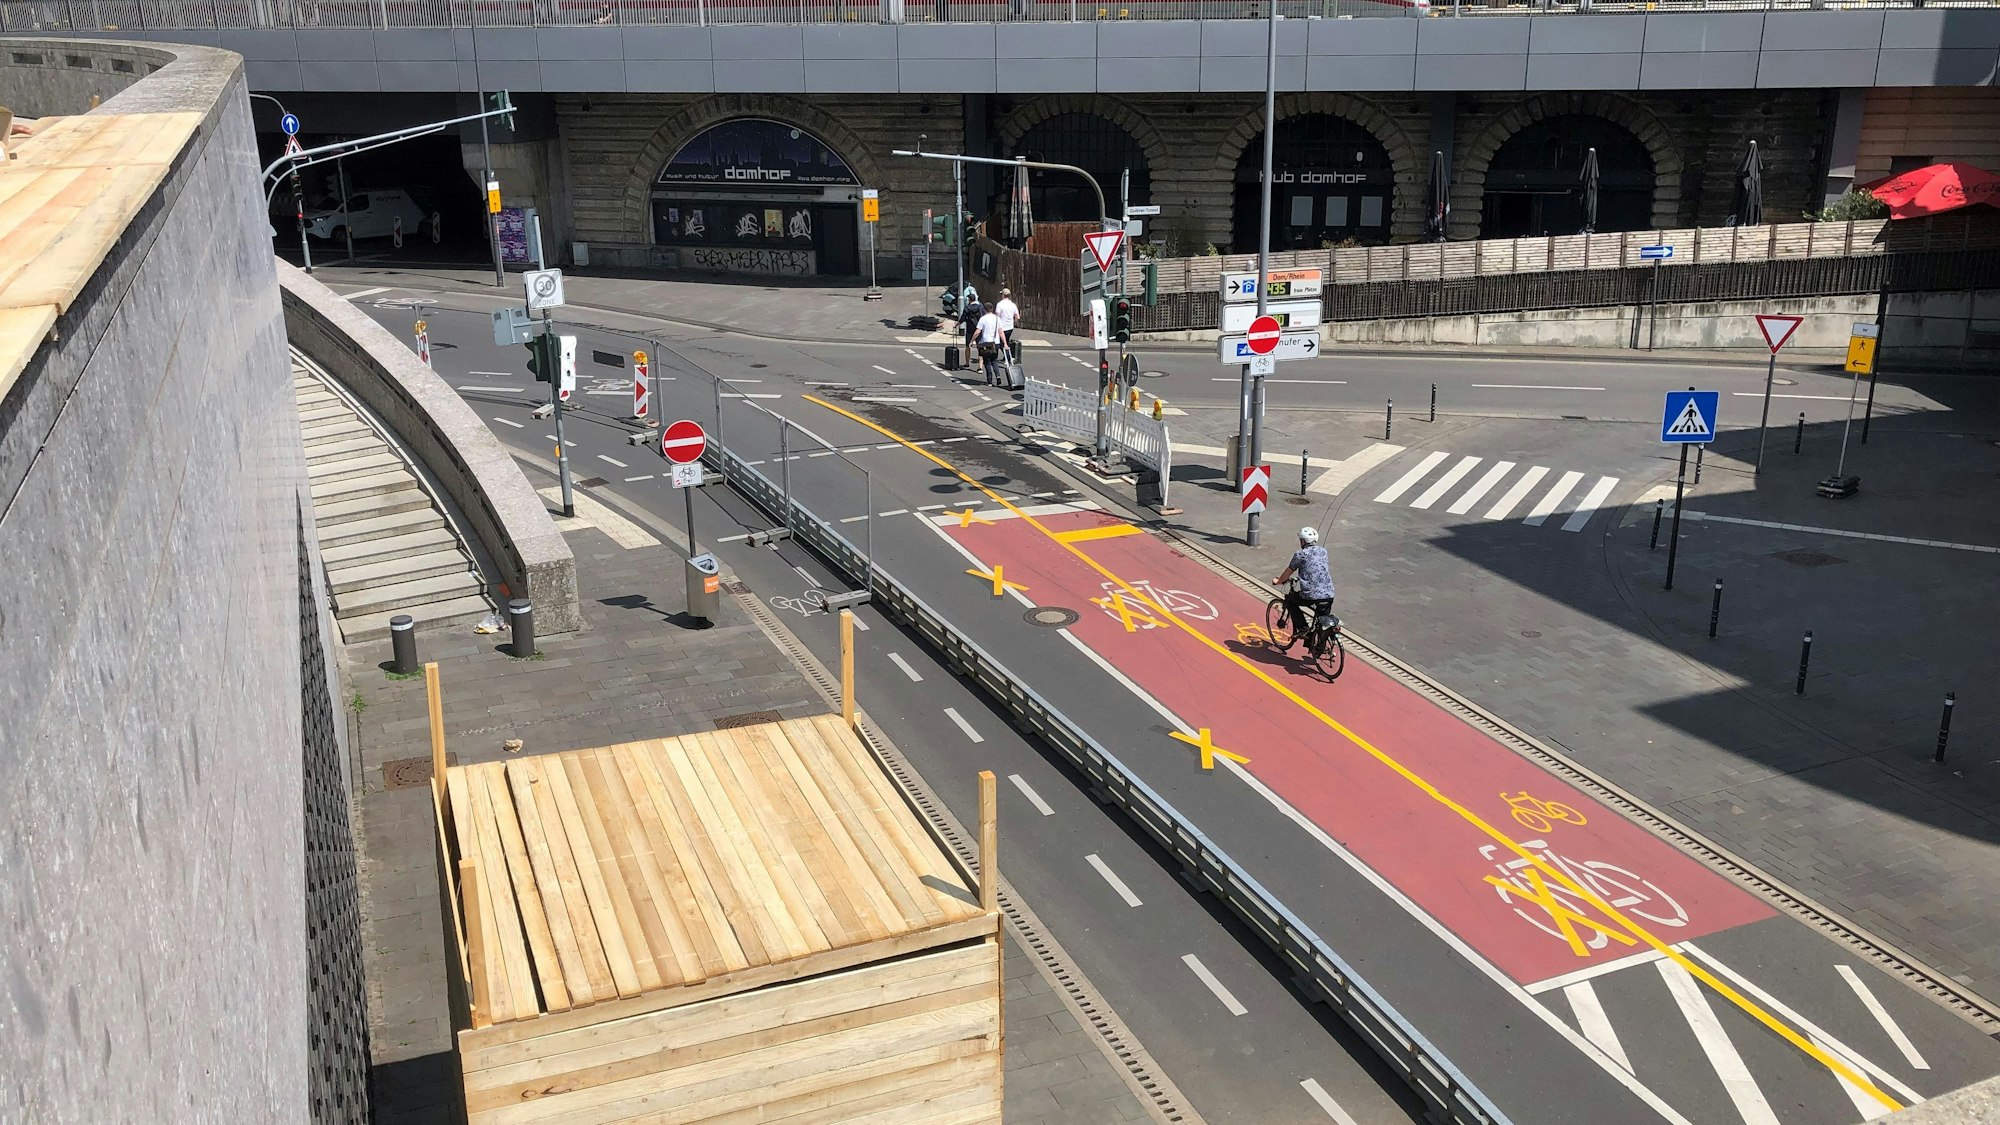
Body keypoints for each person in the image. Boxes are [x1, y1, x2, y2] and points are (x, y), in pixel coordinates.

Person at [1272, 526, 1335, 650]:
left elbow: (1289, 571)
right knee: (1323, 619)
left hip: (1311, 594)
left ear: (1303, 541)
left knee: (1290, 600)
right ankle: (1320, 648)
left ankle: (1303, 628)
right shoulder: (1323, 551)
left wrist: (1279, 581)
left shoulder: (1300, 554)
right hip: (1329, 593)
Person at [973, 304, 1006, 386]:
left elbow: (977, 331)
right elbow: (1001, 332)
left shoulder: (983, 319)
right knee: (994, 360)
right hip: (996, 342)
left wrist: (971, 341)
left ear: (984, 309)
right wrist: (1005, 343)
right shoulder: (997, 318)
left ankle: (990, 380)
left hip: (986, 343)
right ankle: (998, 375)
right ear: (992, 309)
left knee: (987, 361)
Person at [994, 287, 1021, 357]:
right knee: (1006, 341)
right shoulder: (1013, 305)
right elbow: (1017, 317)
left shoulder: (999, 304)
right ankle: (1006, 356)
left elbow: (997, 316)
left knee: (1000, 343)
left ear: (1003, 295)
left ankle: (1008, 357)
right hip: (1010, 327)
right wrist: (1014, 322)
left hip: (1001, 327)